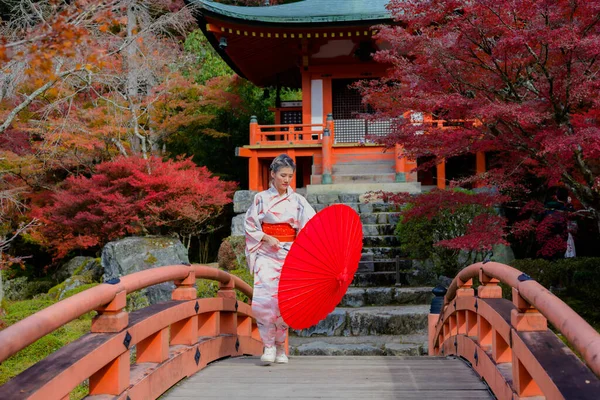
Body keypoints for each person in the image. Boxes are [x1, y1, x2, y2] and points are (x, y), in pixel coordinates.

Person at [244, 154, 316, 364]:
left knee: (286, 302)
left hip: (290, 255)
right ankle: (267, 346)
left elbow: (310, 228)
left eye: (290, 176)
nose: (286, 180)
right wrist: (266, 237)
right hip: (266, 253)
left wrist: (301, 249)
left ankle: (280, 346)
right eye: (282, 175)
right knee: (265, 301)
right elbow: (249, 225)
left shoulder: (298, 201)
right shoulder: (260, 199)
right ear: (273, 174)